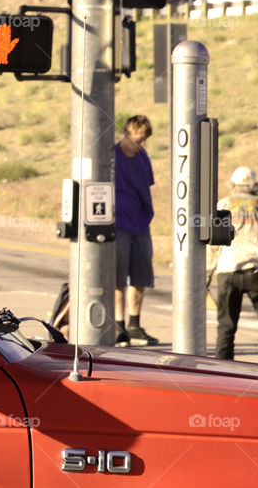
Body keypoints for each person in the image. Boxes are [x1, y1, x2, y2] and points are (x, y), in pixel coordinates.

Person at [206, 167, 258, 359]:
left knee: (226, 326)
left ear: (233, 185)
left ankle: (223, 369)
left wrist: (206, 275)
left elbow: (214, 245)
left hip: (228, 271)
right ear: (255, 185)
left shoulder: (223, 205)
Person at [113, 115, 158, 346]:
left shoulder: (142, 157)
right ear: (127, 134)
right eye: (140, 140)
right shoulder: (111, 155)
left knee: (140, 276)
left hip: (140, 224)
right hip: (118, 224)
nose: (143, 145)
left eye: (145, 140)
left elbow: (146, 186)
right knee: (118, 277)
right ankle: (118, 327)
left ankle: (134, 324)